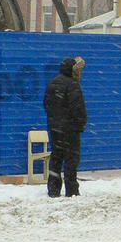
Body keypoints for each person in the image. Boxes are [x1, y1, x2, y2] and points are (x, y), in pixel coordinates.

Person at [43, 56, 87, 198]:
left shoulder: (53, 83)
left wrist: (55, 121)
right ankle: (72, 190)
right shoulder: (73, 85)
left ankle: (53, 189)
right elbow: (77, 108)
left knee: (56, 158)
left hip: (56, 129)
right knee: (71, 160)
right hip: (70, 129)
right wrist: (80, 124)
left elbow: (46, 104)